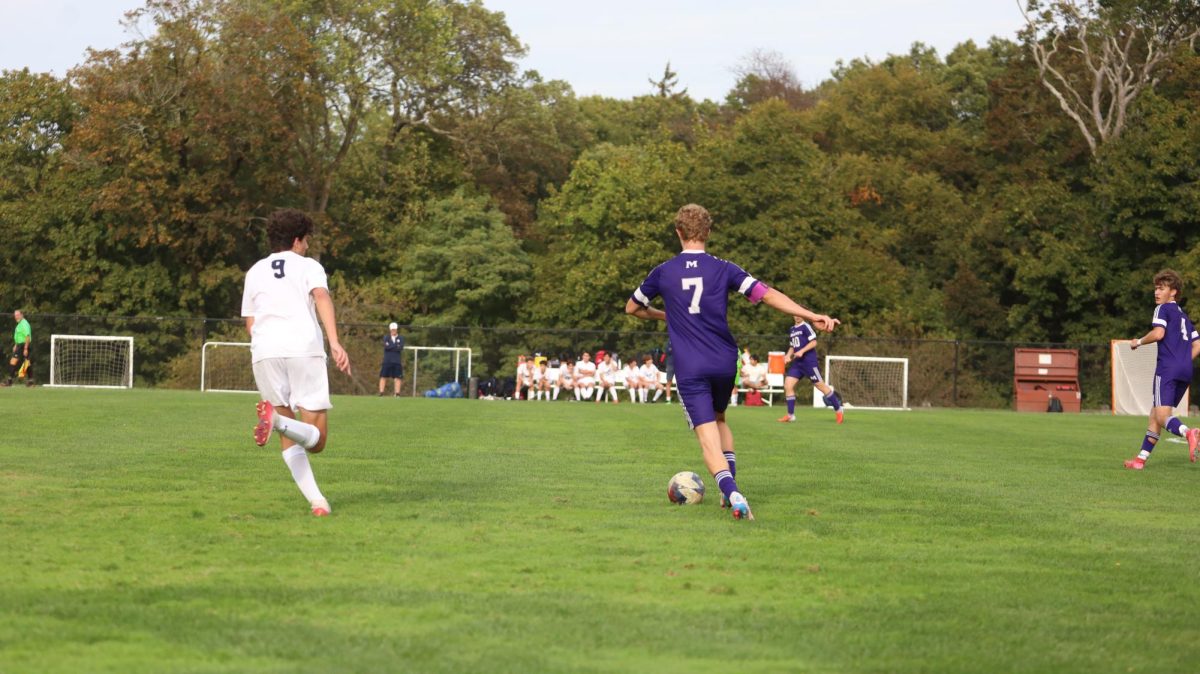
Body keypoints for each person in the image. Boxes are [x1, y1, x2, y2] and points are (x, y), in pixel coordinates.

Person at [626, 204, 839, 521]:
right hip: (726, 362)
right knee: (721, 417)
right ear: (708, 233)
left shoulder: (663, 272)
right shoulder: (724, 268)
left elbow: (633, 308)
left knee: (706, 436)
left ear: (678, 233)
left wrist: (666, 314)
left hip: (691, 366)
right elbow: (766, 295)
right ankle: (731, 488)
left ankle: (734, 494)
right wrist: (811, 315)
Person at [243, 208, 352, 517]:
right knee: (317, 442)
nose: (307, 246)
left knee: (288, 429)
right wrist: (334, 342)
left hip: (264, 351)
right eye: (306, 241)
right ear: (297, 240)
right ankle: (277, 422)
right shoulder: (308, 266)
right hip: (303, 348)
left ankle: (318, 502)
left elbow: (251, 323)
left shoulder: (254, 272)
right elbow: (321, 297)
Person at [1124, 269, 1200, 470]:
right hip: (1185, 371)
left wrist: (1138, 341)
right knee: (1156, 415)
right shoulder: (1184, 317)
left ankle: (1188, 433)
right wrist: (1183, 360)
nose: (1156, 292)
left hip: (1167, 369)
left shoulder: (1163, 309)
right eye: (1156, 289)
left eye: (1161, 288)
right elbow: (1198, 345)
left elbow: (1158, 334)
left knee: (1161, 415)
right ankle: (1140, 461)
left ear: (1173, 292)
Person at [778, 316, 844, 424]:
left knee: (820, 386)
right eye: (795, 314)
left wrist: (802, 351)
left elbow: (814, 342)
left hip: (809, 362)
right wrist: (787, 356)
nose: (797, 316)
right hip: (798, 364)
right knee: (788, 385)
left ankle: (838, 409)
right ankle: (790, 415)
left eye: (799, 314)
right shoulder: (792, 329)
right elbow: (792, 346)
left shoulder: (806, 326)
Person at [4, 310, 32, 387]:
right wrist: (15, 345)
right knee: (27, 363)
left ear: (22, 315)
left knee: (13, 361)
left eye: (18, 315)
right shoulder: (19, 324)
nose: (16, 317)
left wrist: (25, 348)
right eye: (15, 315)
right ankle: (30, 381)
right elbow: (19, 336)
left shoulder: (24, 323)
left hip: (24, 345)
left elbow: (27, 336)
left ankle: (9, 381)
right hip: (19, 345)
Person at [378, 322, 405, 397]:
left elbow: (400, 348)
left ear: (397, 330)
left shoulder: (401, 338)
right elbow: (387, 347)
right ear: (390, 330)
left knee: (398, 377)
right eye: (392, 330)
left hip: (397, 361)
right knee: (383, 376)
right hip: (387, 361)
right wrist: (395, 346)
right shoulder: (386, 337)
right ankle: (381, 393)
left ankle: (397, 393)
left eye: (395, 329)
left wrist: (391, 346)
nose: (393, 331)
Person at [662, 338, 675, 404]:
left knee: (681, 382)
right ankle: (668, 399)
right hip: (670, 365)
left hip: (680, 364)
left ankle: (682, 399)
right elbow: (667, 351)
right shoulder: (669, 340)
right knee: (669, 382)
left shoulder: (681, 338)